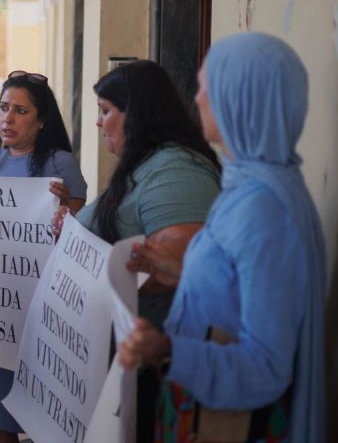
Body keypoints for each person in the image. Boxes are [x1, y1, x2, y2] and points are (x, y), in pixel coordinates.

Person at [118, 33, 326, 442]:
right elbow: (243, 289)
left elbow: (266, 365)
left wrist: (166, 350)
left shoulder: (264, 209)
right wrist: (182, 271)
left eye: (207, 90)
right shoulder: (248, 185)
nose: (197, 99)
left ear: (243, 102)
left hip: (227, 423)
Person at [67, 60, 222, 442]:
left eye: (106, 111)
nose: (99, 123)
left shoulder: (176, 172)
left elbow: (179, 265)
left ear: (136, 114)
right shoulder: (151, 165)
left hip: (148, 365)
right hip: (125, 363)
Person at [0, 70, 88, 443]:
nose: (8, 118)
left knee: (43, 411)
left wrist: (67, 209)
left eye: (21, 111)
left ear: (41, 121)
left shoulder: (60, 164)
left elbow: (78, 235)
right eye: (4, 108)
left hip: (42, 306)